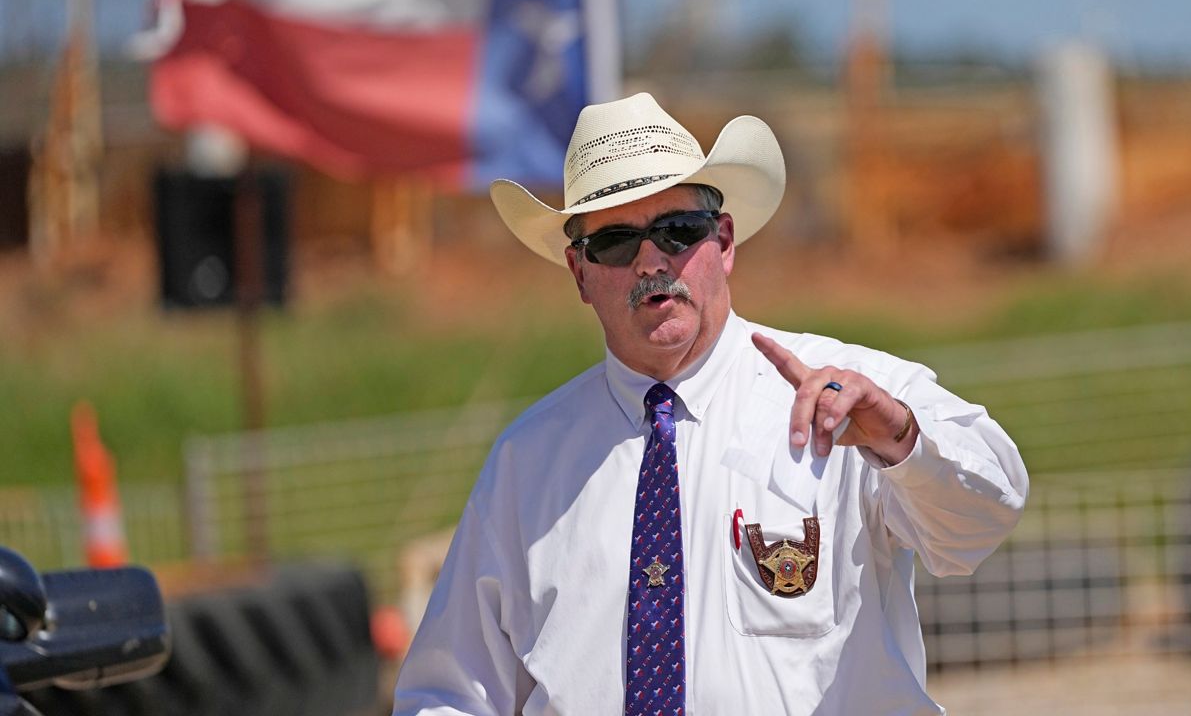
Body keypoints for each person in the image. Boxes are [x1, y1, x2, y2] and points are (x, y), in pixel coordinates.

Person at [394, 93, 1028, 715]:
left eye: (677, 231)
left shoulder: (850, 398)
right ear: (579, 271)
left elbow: (983, 518)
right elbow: (450, 693)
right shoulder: (527, 463)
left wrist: (901, 439)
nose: (650, 261)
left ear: (723, 241)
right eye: (616, 242)